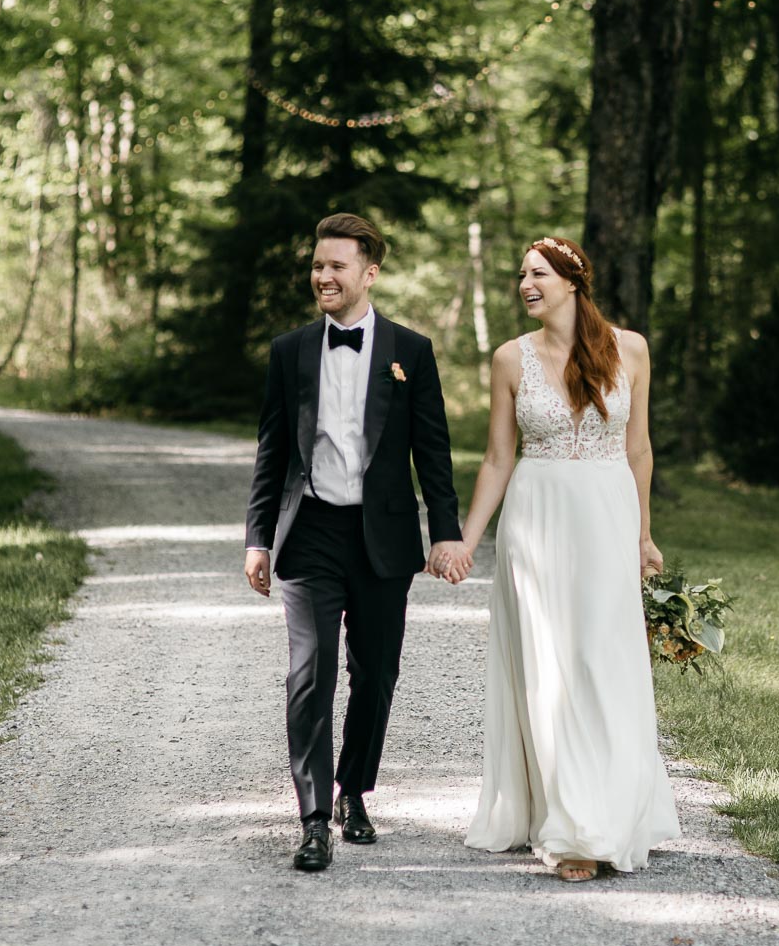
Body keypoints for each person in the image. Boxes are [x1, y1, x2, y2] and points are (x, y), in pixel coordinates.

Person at [438, 234, 680, 881]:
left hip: (606, 515)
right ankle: (572, 827)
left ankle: (613, 803)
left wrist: (644, 536)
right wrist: (466, 538)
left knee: (602, 662)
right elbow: (497, 458)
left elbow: (638, 450)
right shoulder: (509, 360)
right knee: (549, 668)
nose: (526, 284)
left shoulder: (629, 349)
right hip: (536, 519)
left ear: (573, 280)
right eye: (521, 274)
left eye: (538, 273)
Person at [243, 212, 471, 872]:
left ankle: (353, 791)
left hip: (383, 537)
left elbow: (433, 451)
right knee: (308, 675)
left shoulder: (411, 352)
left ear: (370, 273)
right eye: (318, 265)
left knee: (375, 673)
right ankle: (313, 818)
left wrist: (446, 533)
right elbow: (272, 449)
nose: (323, 275)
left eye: (336, 266)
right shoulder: (290, 352)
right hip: (309, 532)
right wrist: (258, 538)